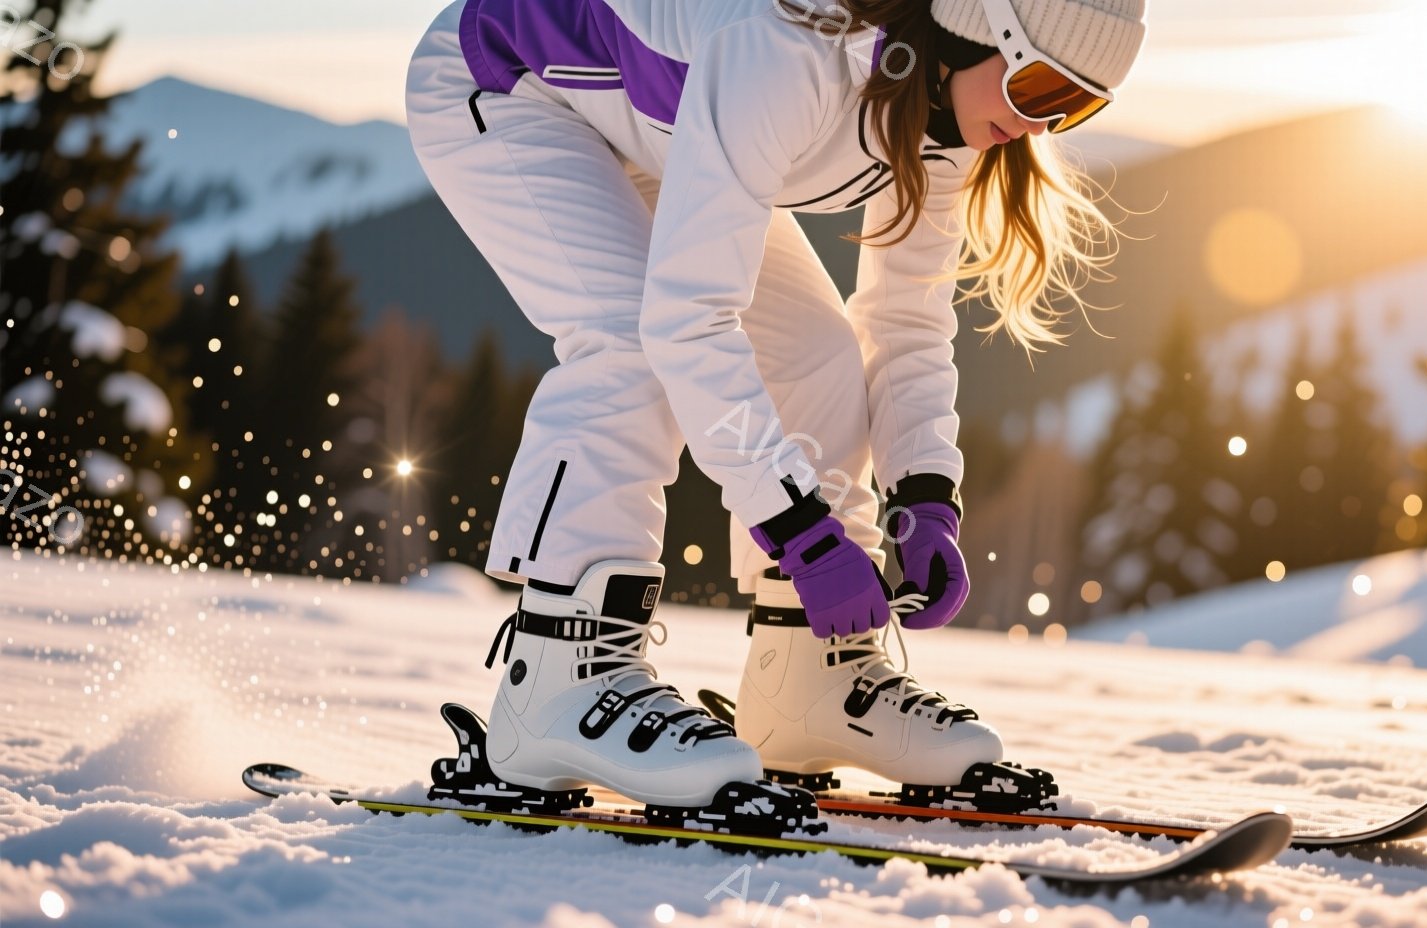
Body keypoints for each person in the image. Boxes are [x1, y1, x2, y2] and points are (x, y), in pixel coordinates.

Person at [404, 0, 1146, 817]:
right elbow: (689, 322)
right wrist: (799, 534)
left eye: (1078, 105)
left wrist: (925, 495)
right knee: (629, 343)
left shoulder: (944, 116)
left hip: (660, 123)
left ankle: (808, 680)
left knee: (819, 355)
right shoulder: (792, 54)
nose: (1042, 124)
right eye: (1041, 85)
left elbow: (905, 324)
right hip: (510, 80)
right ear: (974, 29)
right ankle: (557, 681)